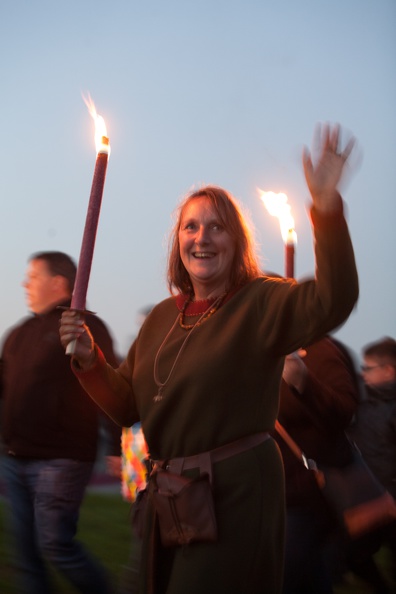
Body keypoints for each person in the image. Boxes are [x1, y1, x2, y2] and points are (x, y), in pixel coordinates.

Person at [59, 123, 359, 594]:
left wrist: (325, 207)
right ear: (178, 240)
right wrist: (88, 359)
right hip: (170, 496)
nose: (202, 237)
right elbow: (126, 406)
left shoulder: (260, 300)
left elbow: (333, 299)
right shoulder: (163, 315)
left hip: (234, 495)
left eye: (217, 227)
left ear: (236, 242)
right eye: (191, 226)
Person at [0, 251, 120, 594]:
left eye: (32, 276)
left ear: (58, 283)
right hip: (15, 457)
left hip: (61, 459)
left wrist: (115, 446)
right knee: (26, 554)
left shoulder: (84, 327)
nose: (25, 283)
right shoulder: (18, 333)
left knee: (55, 545)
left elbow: (108, 385)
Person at [274, 336, 359, 593]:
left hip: (304, 495)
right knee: (309, 578)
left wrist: (303, 382)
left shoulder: (318, 349)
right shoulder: (258, 353)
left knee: (282, 579)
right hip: (267, 493)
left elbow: (345, 413)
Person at [345, 337, 396, 593]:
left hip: (390, 501)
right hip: (369, 500)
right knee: (353, 555)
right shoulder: (361, 404)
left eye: (368, 368)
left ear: (388, 371)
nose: (363, 373)